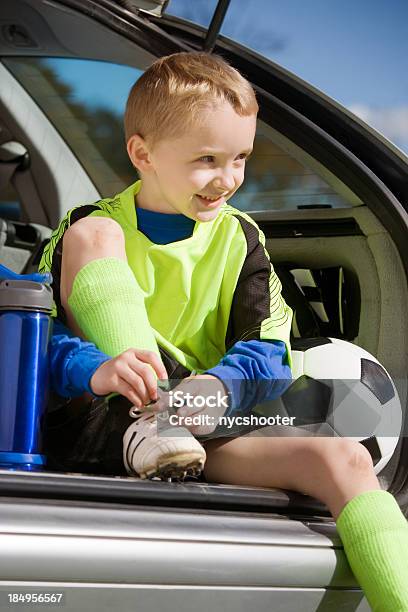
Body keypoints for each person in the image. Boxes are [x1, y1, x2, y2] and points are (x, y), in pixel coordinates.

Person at [39, 52, 408, 610]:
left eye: (241, 158)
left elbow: (267, 351)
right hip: (97, 421)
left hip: (194, 431)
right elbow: (31, 340)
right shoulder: (88, 228)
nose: (228, 179)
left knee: (349, 462)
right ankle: (151, 422)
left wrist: (218, 390)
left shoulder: (241, 239)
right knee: (94, 238)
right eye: (207, 159)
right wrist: (96, 370)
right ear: (142, 154)